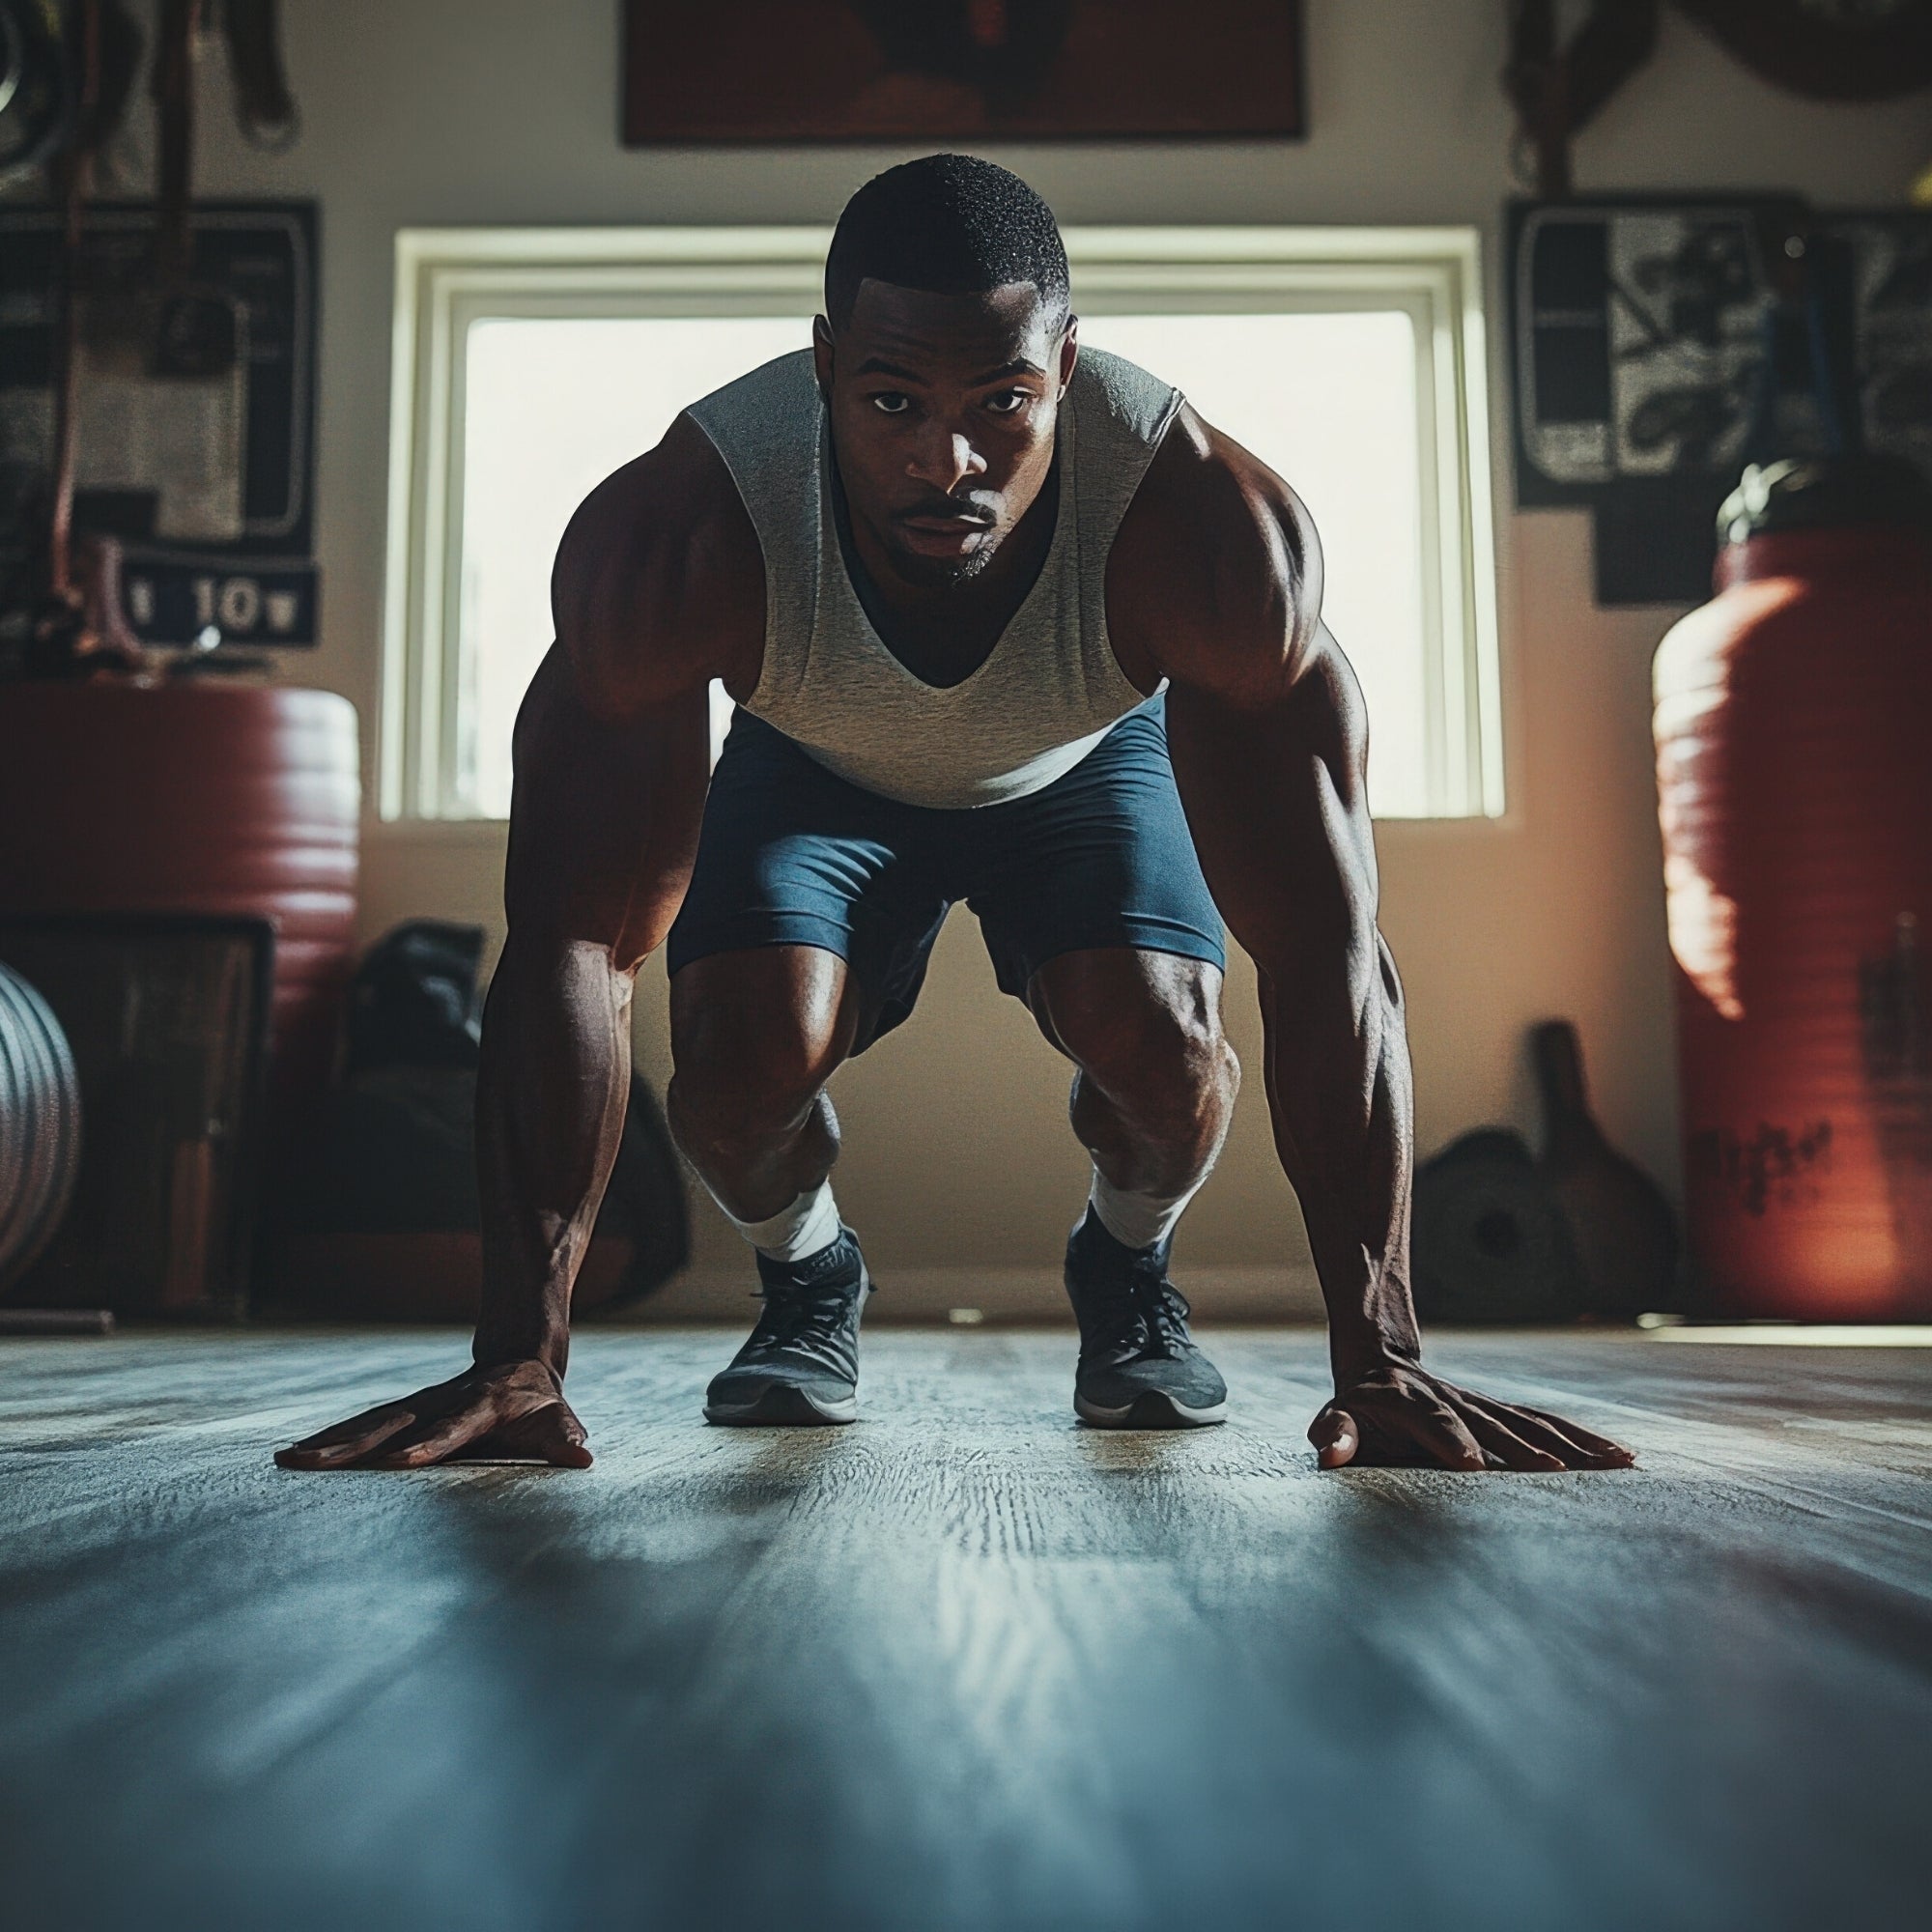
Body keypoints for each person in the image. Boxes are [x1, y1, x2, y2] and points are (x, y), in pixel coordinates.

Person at [277, 156, 1633, 1473]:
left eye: (1003, 402)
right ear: (820, 367)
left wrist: (1380, 1354)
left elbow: (1336, 953)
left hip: (1084, 765)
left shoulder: (1207, 541)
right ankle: (810, 1278)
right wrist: (519, 1351)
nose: (949, 460)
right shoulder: (680, 540)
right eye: (891, 401)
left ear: (1069, 368)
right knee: (736, 1078)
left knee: (1167, 1054)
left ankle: (1129, 1265)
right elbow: (571, 949)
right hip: (812, 768)